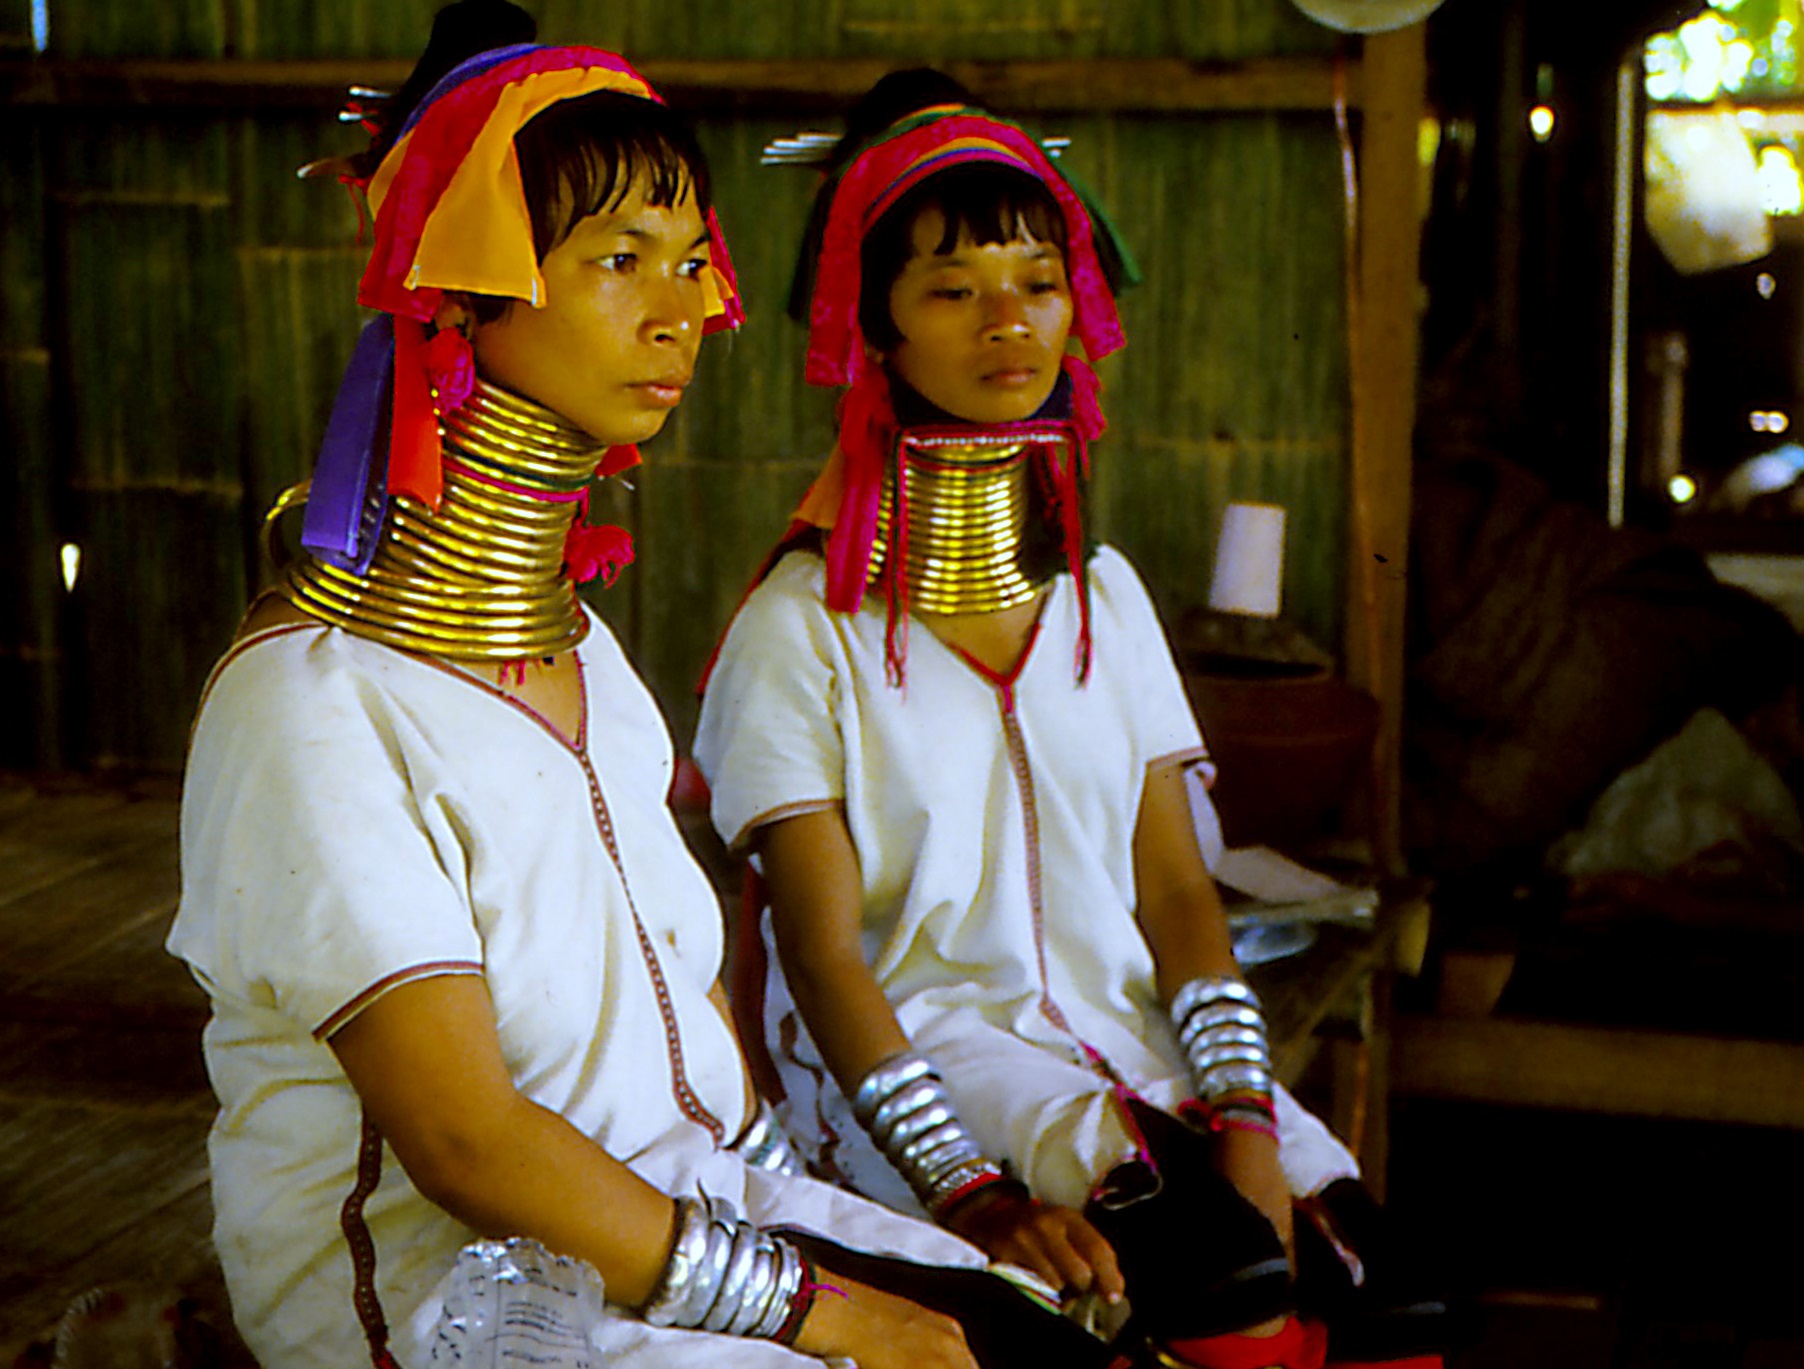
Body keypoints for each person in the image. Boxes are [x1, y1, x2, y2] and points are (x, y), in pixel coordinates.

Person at [165, 12, 1115, 1369]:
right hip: (453, 1299)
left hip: (679, 1212)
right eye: (618, 261)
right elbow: (465, 1142)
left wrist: (844, 1240)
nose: (683, 314)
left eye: (686, 261)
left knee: (1049, 1340)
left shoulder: (587, 658)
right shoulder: (315, 706)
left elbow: (686, 1015)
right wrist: (841, 1310)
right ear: (458, 289)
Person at [695, 73, 1444, 1369]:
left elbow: (1175, 888)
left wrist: (1245, 1110)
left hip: (1139, 1050)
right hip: (927, 1065)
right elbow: (820, 958)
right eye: (952, 290)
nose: (1009, 321)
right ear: (874, 326)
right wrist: (969, 1192)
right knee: (1232, 1304)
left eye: (1037, 281)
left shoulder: (1102, 598)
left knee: (1395, 1306)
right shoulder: (799, 628)